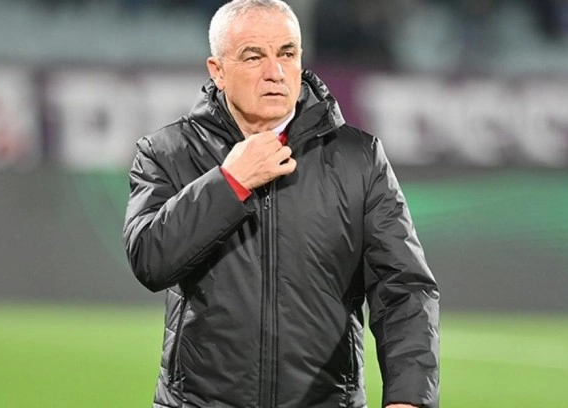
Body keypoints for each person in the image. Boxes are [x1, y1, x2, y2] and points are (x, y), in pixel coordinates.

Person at [123, 1, 439, 407]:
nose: (274, 72)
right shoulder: (167, 152)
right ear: (217, 71)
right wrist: (229, 182)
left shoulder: (358, 158)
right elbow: (150, 259)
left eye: (287, 53)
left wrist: (408, 398)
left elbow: (403, 288)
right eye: (253, 56)